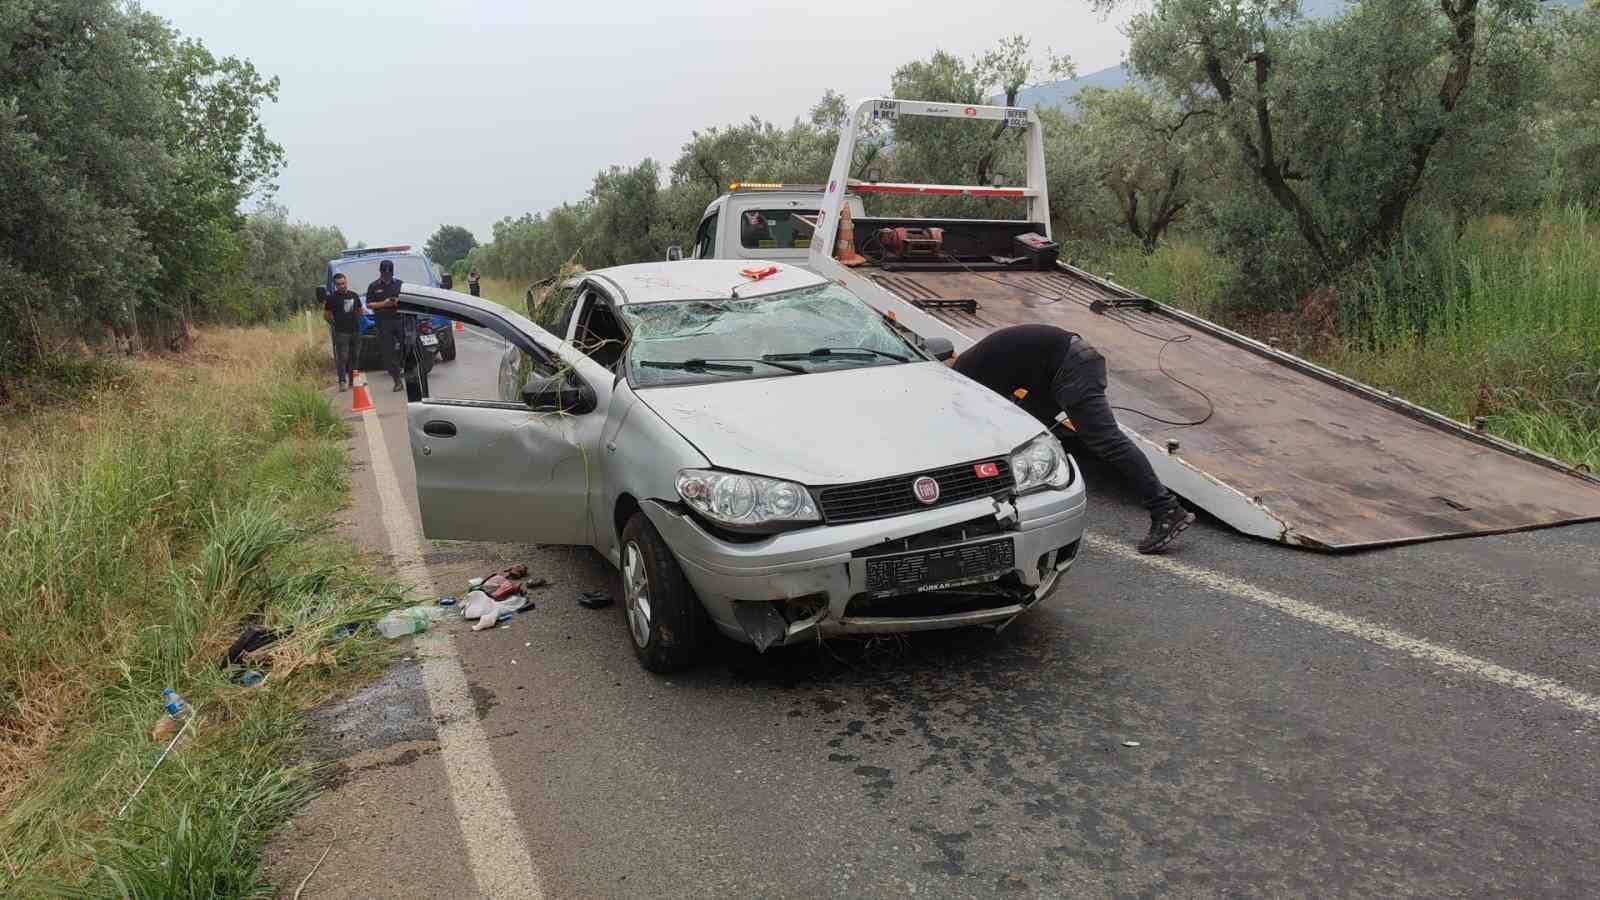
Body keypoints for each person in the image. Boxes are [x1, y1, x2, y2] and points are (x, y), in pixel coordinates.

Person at [949, 323, 1196, 553]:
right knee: (1024, 436)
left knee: (1107, 441)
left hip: (1068, 365)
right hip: (1054, 367)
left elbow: (983, 429)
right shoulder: (967, 368)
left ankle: (1166, 509)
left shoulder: (962, 381)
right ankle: (1011, 512)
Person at [365, 259, 405, 391]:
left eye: (389, 272)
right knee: (388, 354)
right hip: (383, 323)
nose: (387, 274)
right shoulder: (373, 286)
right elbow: (369, 304)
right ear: (381, 272)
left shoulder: (400, 284)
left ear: (392, 272)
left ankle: (409, 373)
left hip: (399, 320)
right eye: (385, 272)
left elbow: (408, 300)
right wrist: (384, 303)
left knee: (408, 348)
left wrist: (398, 302)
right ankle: (397, 380)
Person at [322, 273, 362, 390]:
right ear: (335, 285)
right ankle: (342, 381)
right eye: (339, 284)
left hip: (355, 331)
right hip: (341, 333)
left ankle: (353, 381)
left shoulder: (354, 295)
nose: (342, 286)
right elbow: (326, 315)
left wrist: (357, 322)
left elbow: (359, 310)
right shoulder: (332, 299)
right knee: (343, 357)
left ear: (346, 282)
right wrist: (335, 324)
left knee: (355, 356)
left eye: (343, 283)